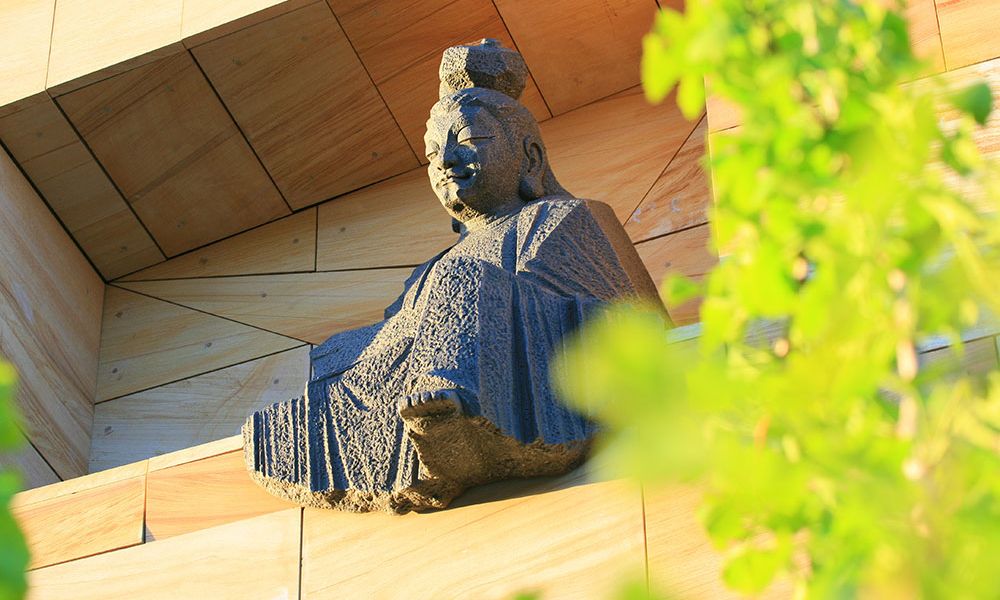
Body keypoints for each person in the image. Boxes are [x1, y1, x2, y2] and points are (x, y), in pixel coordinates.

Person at [243, 40, 659, 513]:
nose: (446, 160)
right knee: (337, 351)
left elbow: (616, 318)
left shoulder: (562, 218)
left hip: (520, 375)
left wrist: (478, 294)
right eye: (433, 152)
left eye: (470, 140)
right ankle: (374, 439)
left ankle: (452, 409)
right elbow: (399, 337)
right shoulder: (431, 268)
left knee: (464, 279)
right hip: (415, 372)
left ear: (530, 160)